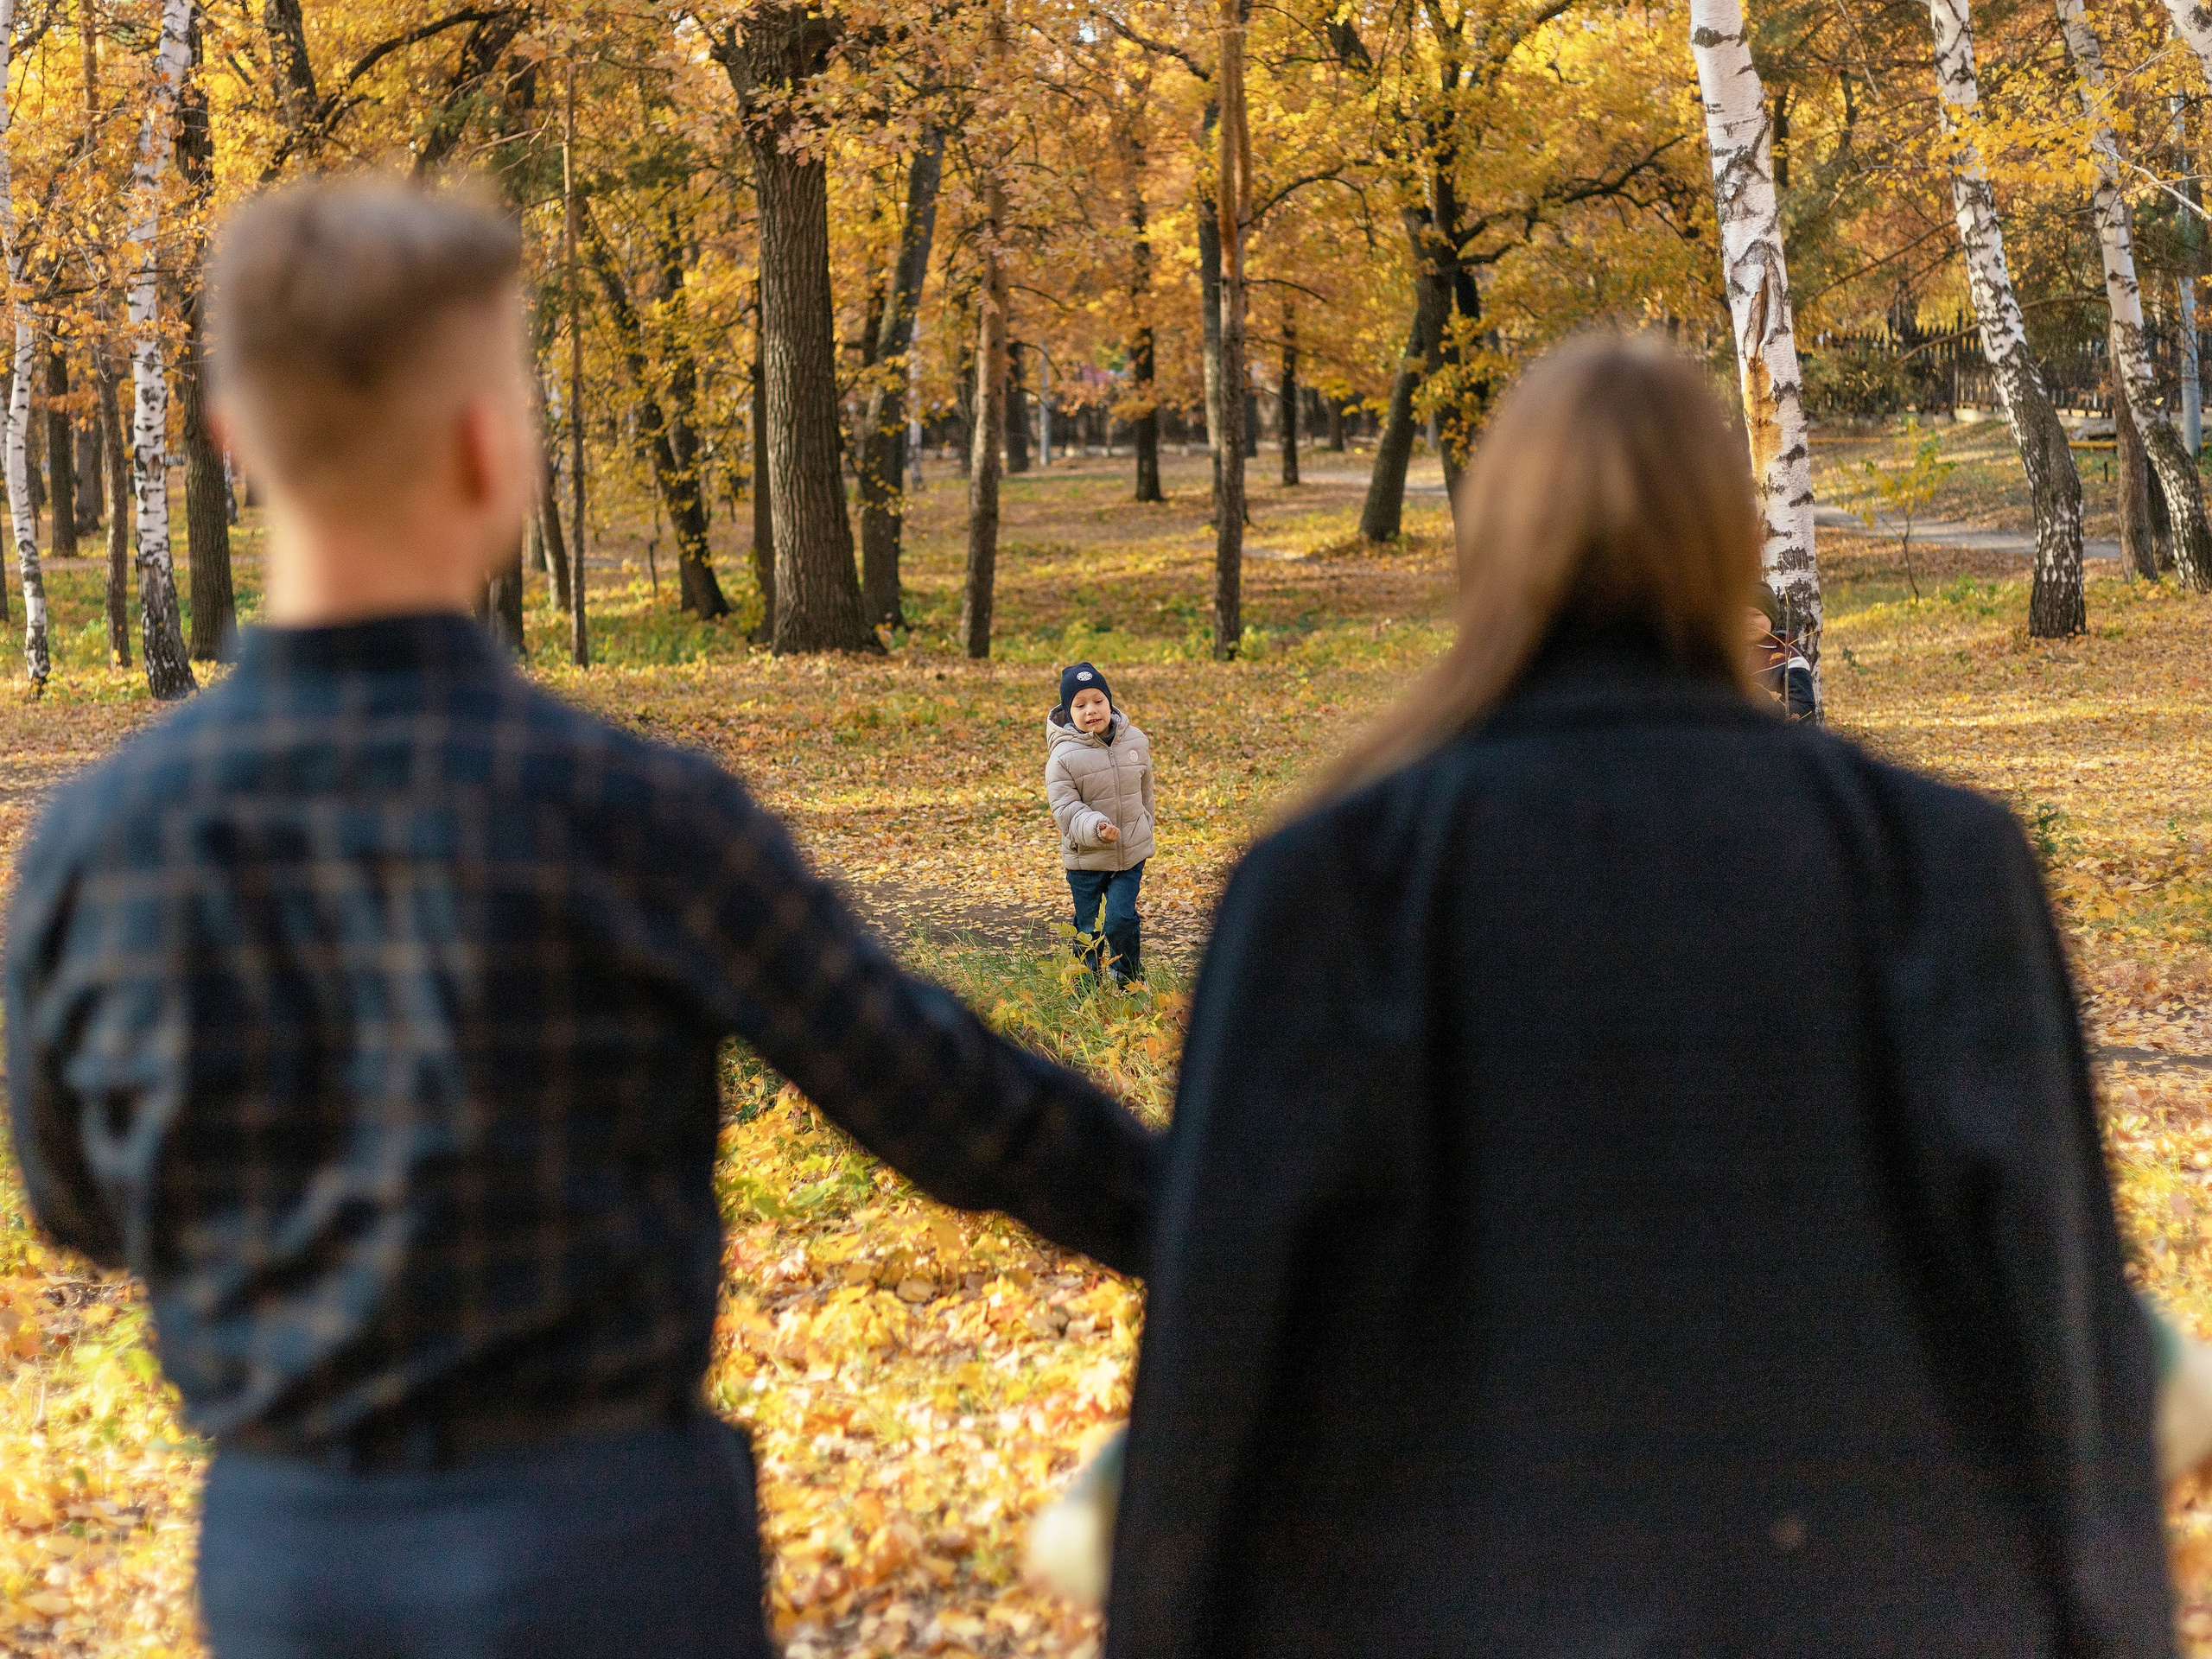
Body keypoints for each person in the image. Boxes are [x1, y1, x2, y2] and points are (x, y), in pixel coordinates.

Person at [2, 179, 1159, 1659]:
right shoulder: (633, 816)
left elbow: (74, 1200)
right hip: (604, 1553)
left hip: (289, 1557)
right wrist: (1212, 1229)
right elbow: (945, 1099)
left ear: (231, 439)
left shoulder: (101, 842)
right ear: (494, 452)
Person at [1103, 337, 2171, 1658]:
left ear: (1491, 538)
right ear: (1730, 541)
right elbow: (2064, 1320)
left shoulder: (1332, 886)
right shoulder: (1937, 864)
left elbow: (1215, 1346)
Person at [1045, 661, 1154, 987]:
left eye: (1098, 701)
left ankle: (1129, 977)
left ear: (1110, 702)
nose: (1091, 710)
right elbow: (1065, 809)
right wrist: (1096, 827)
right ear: (1068, 711)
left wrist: (1144, 826)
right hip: (1086, 860)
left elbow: (1145, 792)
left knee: (1120, 919)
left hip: (1128, 854)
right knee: (1088, 928)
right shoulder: (1062, 757)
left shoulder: (1135, 741)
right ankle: (1086, 985)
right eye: (1080, 705)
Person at [1749, 579, 1816, 719]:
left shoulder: (1787, 658)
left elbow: (1804, 705)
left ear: (1771, 617)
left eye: (1756, 615)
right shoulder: (1723, 655)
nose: (1747, 621)